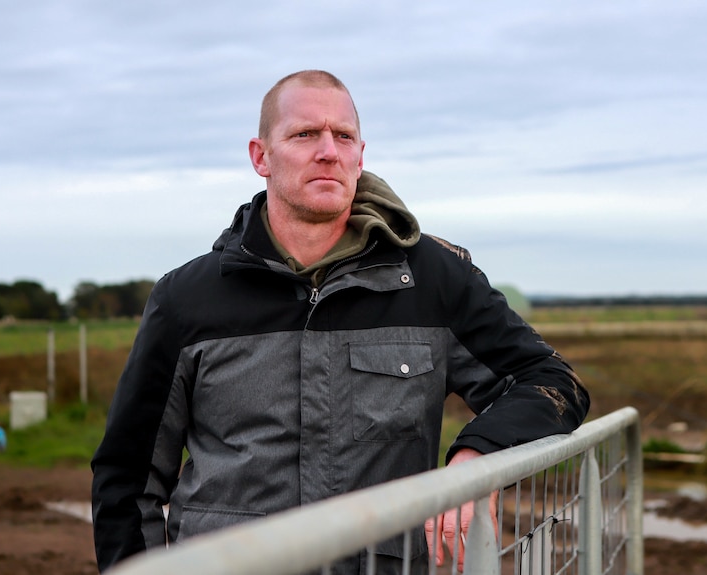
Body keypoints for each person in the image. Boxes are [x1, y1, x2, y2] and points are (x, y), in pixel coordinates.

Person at [91, 70, 590, 574]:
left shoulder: (435, 279)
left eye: (343, 136)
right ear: (260, 156)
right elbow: (128, 476)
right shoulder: (188, 296)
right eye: (305, 134)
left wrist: (478, 456)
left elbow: (552, 382)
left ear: (360, 155)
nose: (327, 151)